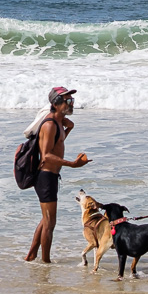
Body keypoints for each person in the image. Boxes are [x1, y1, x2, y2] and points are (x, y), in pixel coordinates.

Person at [25, 86, 90, 263]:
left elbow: (56, 145)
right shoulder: (49, 125)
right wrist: (72, 164)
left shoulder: (59, 123)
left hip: (51, 177)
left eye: (72, 100)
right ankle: (45, 262)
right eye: (67, 101)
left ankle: (32, 254)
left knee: (46, 219)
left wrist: (68, 129)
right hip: (45, 177)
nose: (71, 104)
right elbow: (46, 155)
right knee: (50, 222)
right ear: (56, 104)